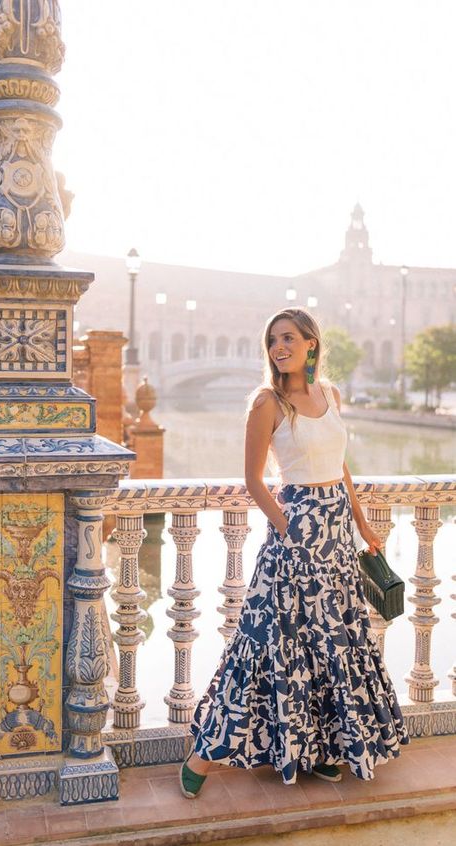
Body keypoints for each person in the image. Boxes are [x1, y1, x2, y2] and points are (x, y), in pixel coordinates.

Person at [180, 307, 409, 798]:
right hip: (296, 531)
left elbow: (339, 464)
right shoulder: (267, 402)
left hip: (337, 534)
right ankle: (202, 755)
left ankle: (320, 750)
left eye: (287, 338)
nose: (278, 347)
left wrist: (363, 523)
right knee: (266, 640)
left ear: (310, 343)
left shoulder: (331, 395)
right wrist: (288, 529)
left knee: (331, 643)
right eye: (272, 340)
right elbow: (253, 481)